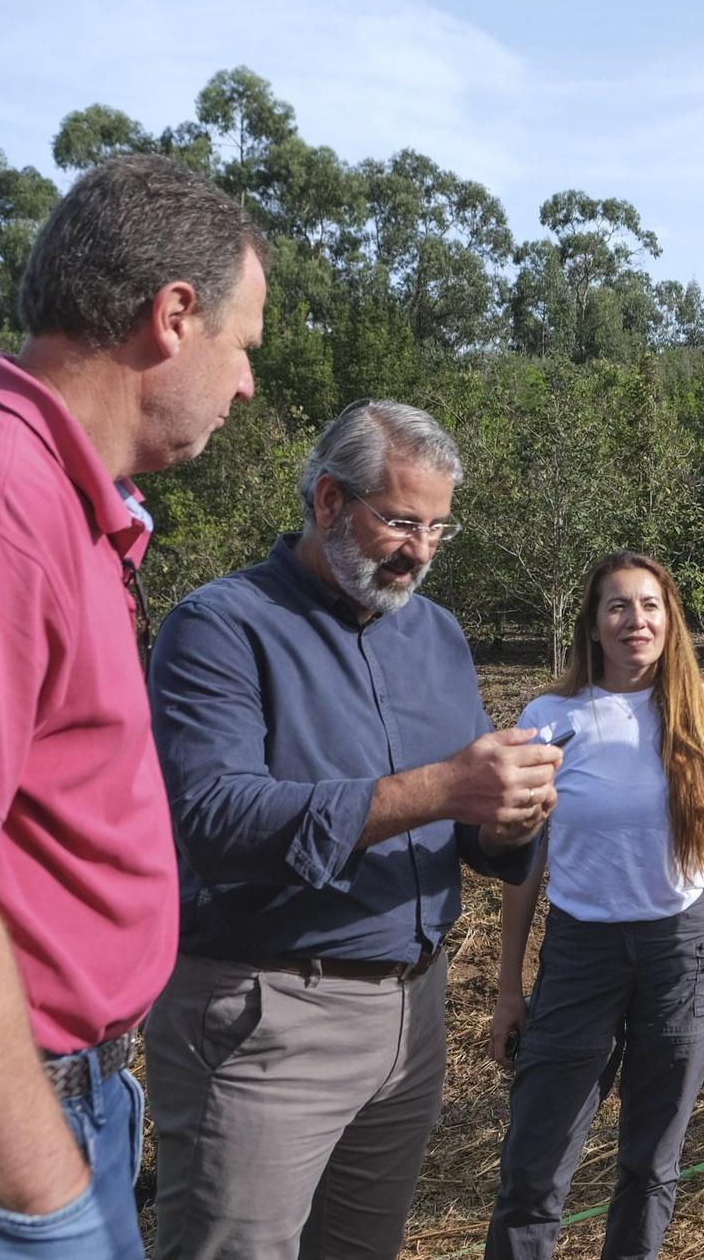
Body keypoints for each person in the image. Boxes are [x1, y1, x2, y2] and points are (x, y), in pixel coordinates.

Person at [0, 153, 261, 1256]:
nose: (246, 385)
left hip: (30, 1115)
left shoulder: (48, 499)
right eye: (244, 346)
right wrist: (45, 1206)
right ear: (174, 315)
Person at [144, 400, 561, 1260]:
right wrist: (443, 786)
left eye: (440, 528)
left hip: (412, 1010)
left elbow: (465, 831)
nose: (421, 552)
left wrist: (512, 820)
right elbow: (213, 820)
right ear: (329, 501)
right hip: (267, 1015)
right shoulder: (220, 628)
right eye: (401, 522)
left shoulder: (437, 636)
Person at [485, 551, 704, 1260]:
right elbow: (524, 867)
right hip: (581, 952)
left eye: (650, 605)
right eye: (618, 606)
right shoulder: (551, 718)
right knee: (535, 1161)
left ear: (670, 620)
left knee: (651, 1161)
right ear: (593, 625)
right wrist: (510, 988)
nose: (636, 620)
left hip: (684, 951)